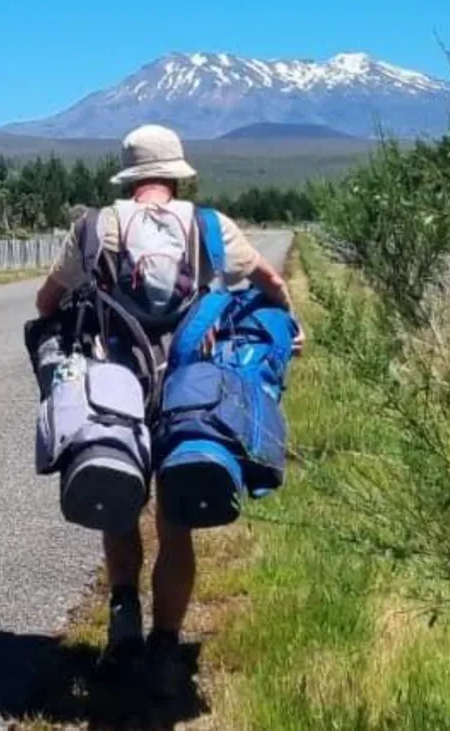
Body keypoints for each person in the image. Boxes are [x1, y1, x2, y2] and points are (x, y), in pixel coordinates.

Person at [32, 123, 299, 696]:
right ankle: (165, 646)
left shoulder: (96, 226)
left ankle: (123, 627)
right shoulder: (210, 225)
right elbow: (270, 282)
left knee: (118, 502)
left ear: (130, 179)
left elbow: (46, 301)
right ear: (176, 177)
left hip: (115, 386)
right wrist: (286, 324)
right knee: (176, 524)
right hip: (190, 388)